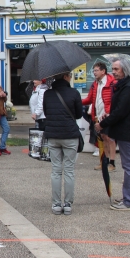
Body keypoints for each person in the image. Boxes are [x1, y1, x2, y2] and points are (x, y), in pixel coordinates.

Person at [96, 57, 130, 211]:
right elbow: (119, 109)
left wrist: (102, 124)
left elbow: (121, 112)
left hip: (127, 130)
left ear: (125, 70)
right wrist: (108, 116)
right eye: (113, 69)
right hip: (126, 129)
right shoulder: (125, 85)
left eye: (116, 69)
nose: (113, 72)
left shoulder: (129, 87)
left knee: (129, 165)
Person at [42, 72, 83, 216]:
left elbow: (47, 113)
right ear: (66, 77)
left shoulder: (48, 94)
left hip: (53, 135)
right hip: (70, 135)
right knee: (69, 170)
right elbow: (78, 114)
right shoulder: (74, 93)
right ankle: (68, 204)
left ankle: (56, 204)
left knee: (56, 170)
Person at [82, 62, 116, 171]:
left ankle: (112, 163)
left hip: (107, 116)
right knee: (102, 139)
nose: (94, 73)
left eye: (96, 70)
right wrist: (76, 101)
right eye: (93, 70)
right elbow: (89, 99)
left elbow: (115, 100)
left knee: (109, 138)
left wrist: (109, 111)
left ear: (103, 71)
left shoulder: (112, 83)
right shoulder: (95, 84)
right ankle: (104, 162)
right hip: (97, 116)